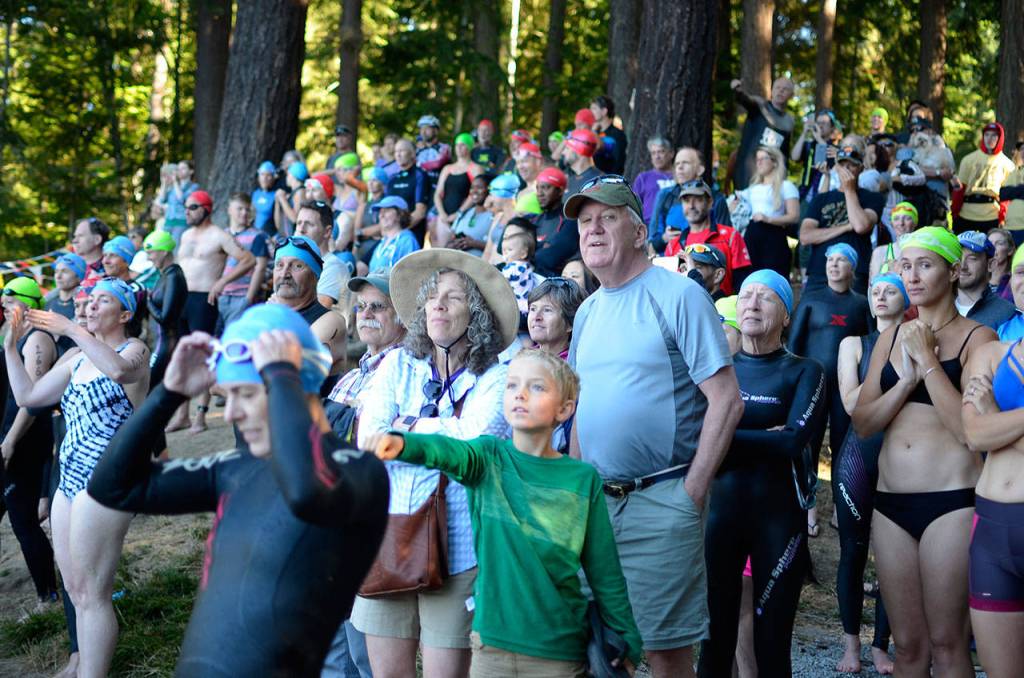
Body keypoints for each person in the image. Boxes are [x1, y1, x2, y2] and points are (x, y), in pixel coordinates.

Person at [85, 303, 389, 677]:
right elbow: (111, 487)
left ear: (294, 384)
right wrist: (168, 393)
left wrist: (280, 373)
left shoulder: (360, 471)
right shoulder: (238, 470)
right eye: (227, 397)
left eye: (246, 393)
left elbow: (306, 492)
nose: (230, 414)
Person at [365, 349, 643, 677]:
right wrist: (402, 444)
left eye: (537, 387)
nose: (520, 394)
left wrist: (628, 638)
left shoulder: (582, 480)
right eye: (512, 386)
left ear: (565, 409)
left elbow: (604, 571)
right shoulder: (487, 458)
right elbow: (447, 451)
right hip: (490, 648)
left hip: (558, 651)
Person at [565, 177, 743, 678]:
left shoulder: (681, 296)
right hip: (596, 505)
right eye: (584, 221)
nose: (593, 229)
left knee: (665, 656)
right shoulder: (588, 311)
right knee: (599, 646)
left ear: (640, 231)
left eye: (608, 217)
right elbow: (582, 409)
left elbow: (726, 402)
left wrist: (691, 491)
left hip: (661, 501)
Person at [352, 249, 519, 678]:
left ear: (476, 313)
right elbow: (370, 437)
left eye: (453, 298)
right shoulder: (397, 363)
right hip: (386, 534)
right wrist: (440, 427)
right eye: (431, 296)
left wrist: (405, 429)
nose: (438, 305)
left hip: (458, 548)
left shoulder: (496, 377)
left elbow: (473, 448)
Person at [851, 227, 994, 676]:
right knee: (909, 648)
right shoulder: (892, 337)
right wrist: (908, 380)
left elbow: (969, 430)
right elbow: (863, 421)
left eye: (925, 264)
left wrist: (929, 364)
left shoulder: (979, 338)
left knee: (947, 643)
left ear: (953, 271)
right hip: (891, 503)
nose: (912, 275)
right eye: (905, 265)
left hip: (951, 502)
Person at [5, 278, 149, 678]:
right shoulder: (74, 359)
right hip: (69, 475)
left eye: (101, 300)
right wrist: (10, 347)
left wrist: (70, 329)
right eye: (87, 301)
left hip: (107, 478)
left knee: (94, 591)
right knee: (76, 589)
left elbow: (120, 373)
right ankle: (85, 664)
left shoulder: (133, 349)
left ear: (124, 314)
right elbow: (28, 399)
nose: (88, 306)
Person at [699, 269, 824, 677]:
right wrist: (763, 436)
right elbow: (695, 441)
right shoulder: (719, 371)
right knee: (714, 641)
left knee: (772, 643)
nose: (752, 304)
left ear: (786, 315)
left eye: (766, 297)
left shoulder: (805, 371)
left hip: (779, 519)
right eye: (746, 295)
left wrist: (726, 437)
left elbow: (792, 442)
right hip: (722, 515)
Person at [320, 273, 406, 678]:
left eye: (378, 306)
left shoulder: (408, 369)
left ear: (404, 317)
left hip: (371, 517)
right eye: (360, 307)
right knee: (333, 642)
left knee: (366, 650)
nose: (366, 314)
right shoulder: (353, 375)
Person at [832, 273, 907, 675]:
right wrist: (897, 379)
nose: (880, 296)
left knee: (892, 558)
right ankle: (850, 644)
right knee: (853, 551)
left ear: (906, 299)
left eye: (890, 290)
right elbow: (849, 404)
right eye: (875, 290)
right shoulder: (852, 344)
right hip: (859, 456)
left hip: (900, 457)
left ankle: (881, 645)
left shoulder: (917, 340)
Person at [962, 306, 1024, 677]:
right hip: (992, 531)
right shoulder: (990, 354)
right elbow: (974, 434)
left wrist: (995, 413)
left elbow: (989, 430)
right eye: (1020, 272)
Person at [788, 243, 872, 519]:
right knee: (808, 444)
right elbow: (794, 344)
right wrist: (792, 382)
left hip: (845, 387)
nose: (834, 265)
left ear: (853, 268)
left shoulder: (861, 304)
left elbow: (871, 346)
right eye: (830, 260)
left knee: (842, 442)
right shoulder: (812, 300)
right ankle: (808, 506)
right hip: (813, 384)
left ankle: (841, 503)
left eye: (841, 261)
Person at [165, 190, 254, 433]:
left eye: (193, 207)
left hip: (204, 300)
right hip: (182, 300)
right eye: (186, 207)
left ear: (206, 209)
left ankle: (200, 416)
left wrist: (221, 282)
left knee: (202, 356)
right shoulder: (184, 235)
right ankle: (182, 413)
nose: (187, 211)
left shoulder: (219, 236)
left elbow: (248, 260)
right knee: (180, 357)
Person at [1, 277, 59, 610]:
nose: (5, 301)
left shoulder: (38, 340)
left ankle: (47, 596)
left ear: (31, 304)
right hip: (10, 434)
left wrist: (9, 442)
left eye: (12, 297)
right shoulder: (15, 336)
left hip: (24, 439)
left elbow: (32, 402)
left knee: (23, 521)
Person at [270, 236, 349, 396]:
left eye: (297, 266)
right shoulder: (266, 317)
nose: (285, 273)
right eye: (279, 265)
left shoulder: (331, 321)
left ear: (316, 276)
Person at [798, 146, 884, 293]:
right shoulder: (821, 199)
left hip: (855, 272)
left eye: (851, 164)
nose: (846, 169)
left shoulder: (873, 198)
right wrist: (845, 227)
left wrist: (849, 190)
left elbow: (860, 226)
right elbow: (805, 237)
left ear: (861, 168)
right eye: (842, 165)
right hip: (820, 270)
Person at [665, 179, 752, 295]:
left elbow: (743, 283)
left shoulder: (731, 236)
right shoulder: (673, 244)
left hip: (722, 309)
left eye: (698, 199)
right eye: (686, 200)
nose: (691, 206)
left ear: (710, 202)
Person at [733, 145, 800, 276]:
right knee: (750, 276)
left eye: (763, 158)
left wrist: (768, 219)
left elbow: (794, 216)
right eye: (757, 159)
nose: (759, 162)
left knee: (773, 276)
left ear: (774, 162)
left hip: (774, 236)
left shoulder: (786, 186)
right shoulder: (752, 188)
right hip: (752, 235)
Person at [649, 147, 731, 254]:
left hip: (706, 261)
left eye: (685, 163)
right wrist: (664, 238)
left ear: (700, 169)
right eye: (677, 164)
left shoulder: (716, 198)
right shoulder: (665, 195)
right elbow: (651, 242)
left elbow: (726, 238)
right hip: (669, 262)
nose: (680, 167)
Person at [730, 77, 796, 190]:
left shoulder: (788, 121)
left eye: (785, 89)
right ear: (772, 90)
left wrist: (783, 176)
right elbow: (746, 100)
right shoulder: (760, 106)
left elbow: (784, 153)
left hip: (771, 179)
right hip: (748, 172)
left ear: (791, 95)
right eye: (778, 88)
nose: (781, 91)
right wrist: (738, 91)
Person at [143, 230, 187, 390]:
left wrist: (148, 301)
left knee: (147, 389)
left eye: (151, 253)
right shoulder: (165, 275)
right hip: (159, 341)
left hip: (165, 343)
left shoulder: (174, 276)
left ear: (163, 252)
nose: (148, 258)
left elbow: (166, 318)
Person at [955, 122, 1016, 234]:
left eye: (994, 135)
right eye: (987, 135)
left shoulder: (1007, 165)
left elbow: (1006, 197)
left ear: (1000, 138)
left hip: (991, 215)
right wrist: (955, 213)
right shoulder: (968, 160)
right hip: (966, 214)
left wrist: (1002, 218)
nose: (989, 139)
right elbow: (959, 189)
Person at [217, 193, 268, 328]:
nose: (244, 213)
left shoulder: (257, 236)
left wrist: (249, 298)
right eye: (240, 209)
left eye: (247, 209)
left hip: (241, 296)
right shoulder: (223, 234)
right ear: (229, 210)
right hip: (221, 295)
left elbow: (260, 268)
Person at [294, 200, 350, 310]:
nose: (301, 229)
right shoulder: (293, 264)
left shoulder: (334, 267)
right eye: (299, 223)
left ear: (327, 232)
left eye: (309, 224)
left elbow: (317, 313)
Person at [955, 231, 1016, 329]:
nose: (962, 266)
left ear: (991, 265)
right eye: (957, 257)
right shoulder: (938, 305)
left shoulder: (1007, 314)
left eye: (972, 258)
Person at [433, 133, 484, 242]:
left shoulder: (475, 168)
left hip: (465, 214)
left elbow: (475, 194)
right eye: (457, 145)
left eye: (463, 145)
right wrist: (442, 214)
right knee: (442, 250)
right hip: (444, 216)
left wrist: (459, 213)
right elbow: (438, 194)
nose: (459, 148)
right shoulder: (447, 168)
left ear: (470, 147)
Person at [531, 168, 580, 276]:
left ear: (560, 191)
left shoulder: (570, 220)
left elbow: (549, 258)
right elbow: (502, 247)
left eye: (545, 187)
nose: (539, 193)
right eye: (538, 188)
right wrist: (544, 246)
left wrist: (527, 251)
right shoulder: (532, 220)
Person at [792, 109, 842, 204]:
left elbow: (826, 158)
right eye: (818, 122)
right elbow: (795, 157)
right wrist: (804, 133)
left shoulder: (834, 148)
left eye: (824, 123)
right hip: (804, 194)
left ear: (832, 127)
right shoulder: (810, 145)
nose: (820, 125)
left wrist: (818, 137)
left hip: (823, 195)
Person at [386, 139, 431, 243]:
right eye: (396, 151)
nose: (398, 154)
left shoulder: (420, 175)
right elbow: (385, 209)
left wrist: (398, 231)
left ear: (412, 154)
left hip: (411, 234)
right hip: (390, 233)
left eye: (402, 151)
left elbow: (420, 212)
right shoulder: (392, 180)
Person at [365, 196, 421, 274]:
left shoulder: (407, 241)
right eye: (380, 212)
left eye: (386, 210)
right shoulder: (381, 243)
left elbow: (412, 275)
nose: (381, 215)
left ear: (400, 215)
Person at [45, 253, 87, 355]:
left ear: (78, 277)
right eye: (56, 272)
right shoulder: (47, 302)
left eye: (65, 272)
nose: (58, 276)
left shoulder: (84, 305)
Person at [869, 201, 919, 279]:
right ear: (892, 224)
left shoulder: (921, 251)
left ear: (915, 223)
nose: (901, 223)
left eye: (907, 218)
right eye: (896, 219)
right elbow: (872, 286)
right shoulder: (880, 252)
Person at [447, 175, 493, 258]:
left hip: (479, 266)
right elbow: (447, 243)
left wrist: (473, 243)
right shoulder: (464, 213)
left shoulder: (494, 216)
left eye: (479, 187)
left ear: (489, 190)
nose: (474, 191)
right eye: (472, 187)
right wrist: (454, 245)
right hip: (455, 263)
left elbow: (497, 248)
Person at [632, 136, 675, 221]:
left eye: (661, 152)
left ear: (671, 153)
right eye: (653, 153)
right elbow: (634, 207)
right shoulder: (643, 178)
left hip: (676, 226)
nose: (657, 156)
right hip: (650, 227)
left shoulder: (681, 176)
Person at [157, 160, 199, 244]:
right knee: (164, 247)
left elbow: (182, 200)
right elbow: (161, 199)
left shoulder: (194, 187)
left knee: (176, 248)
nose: (179, 171)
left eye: (183, 168)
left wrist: (175, 182)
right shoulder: (172, 187)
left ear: (191, 171)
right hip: (168, 222)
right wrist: (164, 183)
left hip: (181, 222)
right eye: (178, 169)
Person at [590, 95, 628, 175]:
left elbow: (618, 163)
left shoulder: (617, 134)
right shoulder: (593, 132)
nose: (590, 112)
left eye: (594, 108)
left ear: (604, 111)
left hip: (609, 181)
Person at [415, 115, 452, 190]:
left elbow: (438, 163)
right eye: (421, 129)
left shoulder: (444, 147)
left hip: (437, 188)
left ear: (435, 130)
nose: (423, 132)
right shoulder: (417, 150)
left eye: (427, 128)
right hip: (420, 189)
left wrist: (418, 164)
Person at [999, 140, 1024, 243]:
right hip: (1010, 226)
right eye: (1022, 149)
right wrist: (1021, 190)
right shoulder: (1015, 171)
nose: (1023, 152)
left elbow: (1009, 192)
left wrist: (1014, 191)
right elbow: (1003, 193)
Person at [988, 228, 1016, 300]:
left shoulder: (1016, 280)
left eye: (999, 243)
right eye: (990, 243)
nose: (993, 247)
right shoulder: (978, 277)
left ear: (1010, 250)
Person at [252, 161, 278, 237]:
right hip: (255, 234)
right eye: (262, 174)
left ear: (273, 177)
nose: (265, 178)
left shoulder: (277, 195)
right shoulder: (255, 193)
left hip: (271, 235)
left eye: (268, 175)